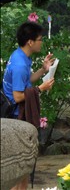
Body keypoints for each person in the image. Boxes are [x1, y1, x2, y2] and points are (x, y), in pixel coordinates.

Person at [2, 21, 55, 189]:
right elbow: (18, 96)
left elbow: (27, 81)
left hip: (16, 115)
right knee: (19, 167)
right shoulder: (19, 64)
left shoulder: (21, 56)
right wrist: (41, 88)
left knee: (24, 168)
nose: (41, 42)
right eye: (40, 39)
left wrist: (43, 70)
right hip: (15, 117)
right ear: (30, 42)